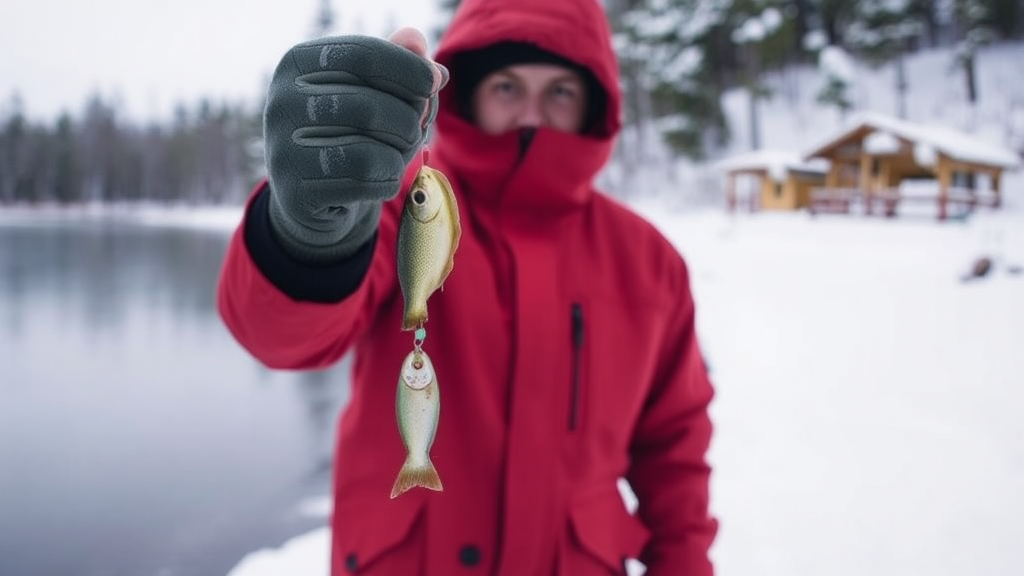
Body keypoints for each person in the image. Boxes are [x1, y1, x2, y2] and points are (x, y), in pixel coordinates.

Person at [216, 0, 718, 574]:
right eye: (508, 86)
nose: (532, 113)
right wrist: (312, 227)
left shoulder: (650, 262)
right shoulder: (401, 203)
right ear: (470, 90)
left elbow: (676, 452)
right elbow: (280, 336)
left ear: (593, 104)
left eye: (559, 91)